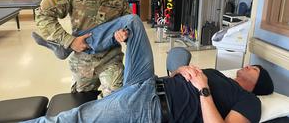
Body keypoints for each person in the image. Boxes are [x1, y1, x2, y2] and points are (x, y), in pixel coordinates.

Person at [26, 14, 274, 123]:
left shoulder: (248, 102)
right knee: (132, 22)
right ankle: (71, 44)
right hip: (148, 82)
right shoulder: (220, 74)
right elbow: (180, 75)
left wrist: (204, 90)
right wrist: (181, 72)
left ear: (258, 83)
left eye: (255, 69)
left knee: (74, 119)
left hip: (151, 107)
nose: (248, 65)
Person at [34, 0, 131, 96]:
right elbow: (43, 13)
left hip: (111, 60)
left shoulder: (120, 1)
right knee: (82, 101)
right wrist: (69, 40)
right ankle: (60, 48)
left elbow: (129, 28)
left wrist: (123, 34)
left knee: (116, 99)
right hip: (83, 62)